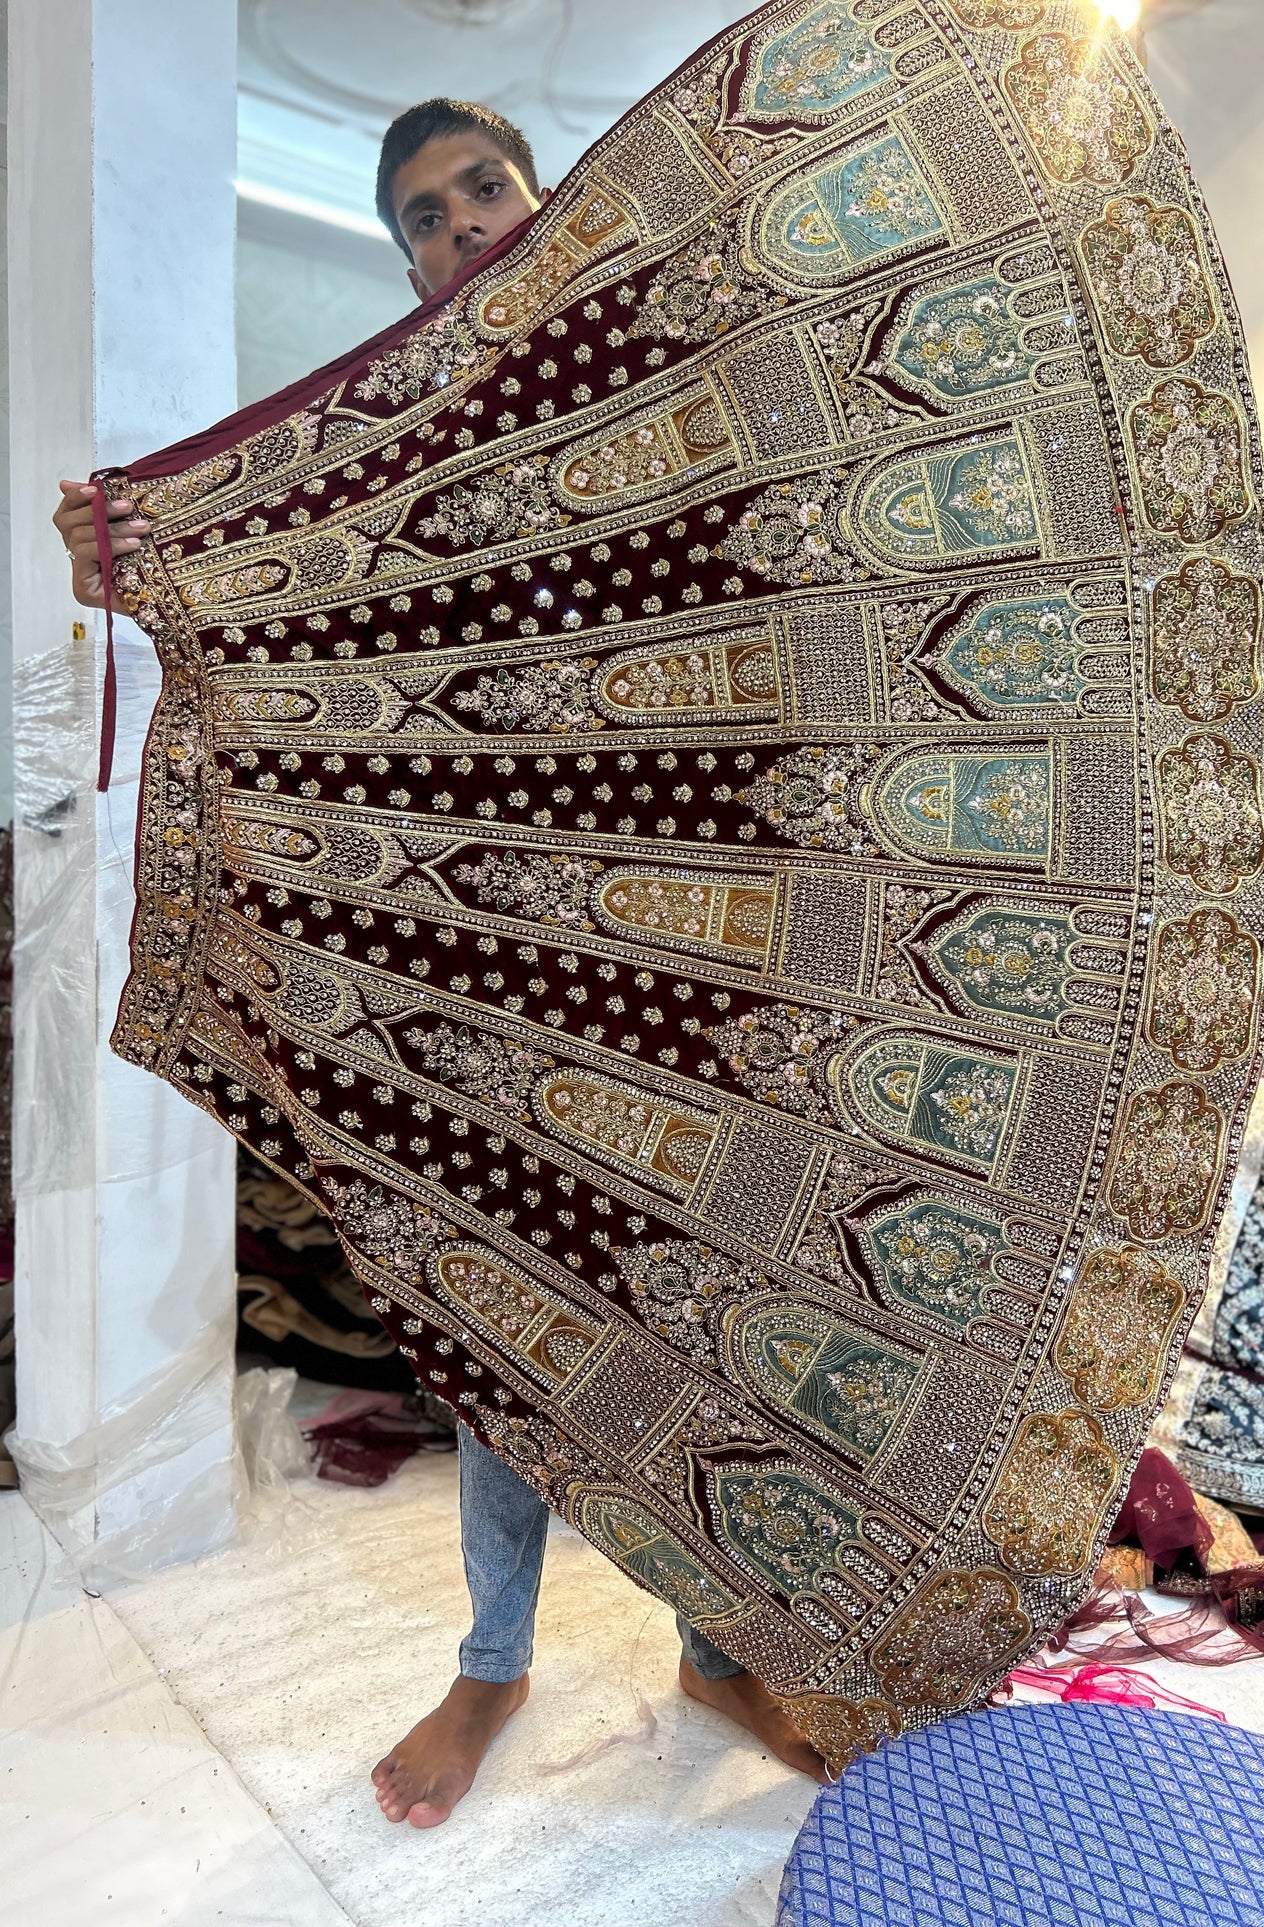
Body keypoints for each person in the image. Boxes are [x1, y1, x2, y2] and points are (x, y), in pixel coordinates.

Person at [52, 97, 828, 1828]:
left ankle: (716, 1641)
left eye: (485, 184)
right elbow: (295, 614)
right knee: (502, 1313)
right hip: (495, 959)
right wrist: (141, 561)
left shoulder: (660, 372)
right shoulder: (388, 440)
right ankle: (494, 1662)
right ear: (403, 258)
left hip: (699, 922)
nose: (465, 219)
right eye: (425, 212)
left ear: (538, 191)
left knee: (701, 1306)